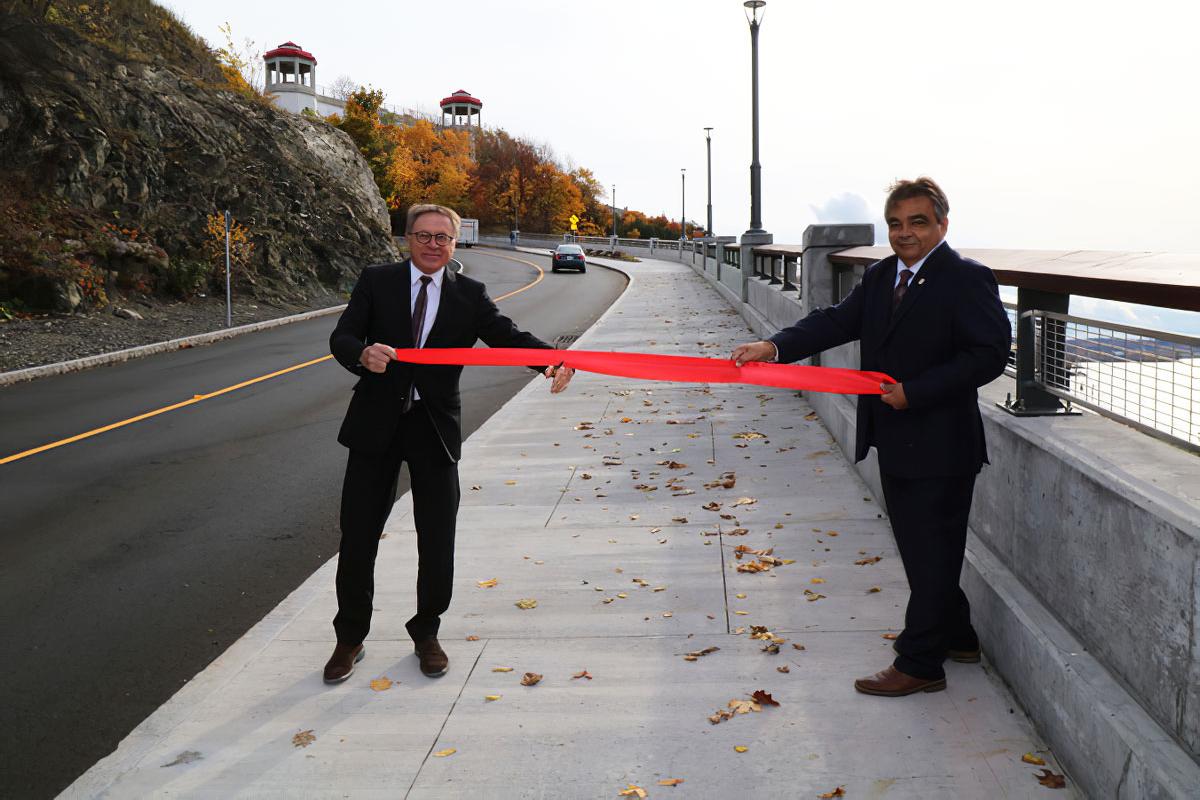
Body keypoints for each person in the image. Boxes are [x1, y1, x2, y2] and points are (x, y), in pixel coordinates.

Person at [732, 177, 1010, 696]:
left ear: (942, 225)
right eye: (897, 224)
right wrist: (773, 348)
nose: (906, 233)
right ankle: (958, 637)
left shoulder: (966, 279)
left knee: (930, 550)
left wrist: (917, 392)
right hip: (894, 437)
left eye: (918, 222)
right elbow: (835, 321)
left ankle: (920, 663)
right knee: (923, 547)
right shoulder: (883, 277)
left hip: (942, 442)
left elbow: (990, 355)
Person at [324, 203, 574, 682]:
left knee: (437, 540)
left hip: (433, 428)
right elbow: (343, 336)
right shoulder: (377, 280)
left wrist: (552, 361)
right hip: (375, 427)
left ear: (454, 243)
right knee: (357, 537)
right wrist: (361, 353)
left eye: (443, 237)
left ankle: (426, 632)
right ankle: (350, 638)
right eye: (424, 235)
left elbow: (507, 336)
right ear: (408, 238)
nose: (433, 244)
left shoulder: (470, 295)